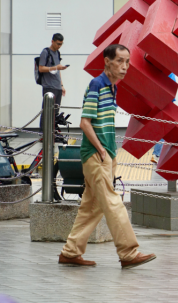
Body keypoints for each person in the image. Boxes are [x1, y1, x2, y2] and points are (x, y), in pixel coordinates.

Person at [59, 44, 156, 269]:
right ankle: (129, 252)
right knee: (113, 202)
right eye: (120, 61)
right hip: (96, 155)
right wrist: (102, 151)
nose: (124, 67)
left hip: (105, 155)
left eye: (127, 62)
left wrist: (111, 155)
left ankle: (71, 252)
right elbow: (85, 123)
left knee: (91, 208)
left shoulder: (111, 88)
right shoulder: (97, 85)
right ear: (107, 61)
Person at [38, 33, 67, 127]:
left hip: (57, 86)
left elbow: (58, 71)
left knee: (55, 112)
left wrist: (62, 85)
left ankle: (52, 133)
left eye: (61, 44)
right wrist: (54, 68)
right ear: (52, 41)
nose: (59, 46)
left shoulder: (57, 53)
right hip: (49, 86)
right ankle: (43, 134)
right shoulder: (45, 52)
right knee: (47, 112)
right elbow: (41, 68)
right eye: (58, 44)